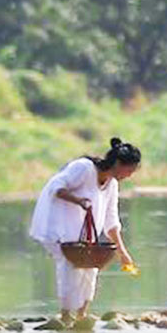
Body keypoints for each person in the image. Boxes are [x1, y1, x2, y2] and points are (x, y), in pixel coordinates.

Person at [29, 137, 141, 321]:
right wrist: (79, 201)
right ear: (118, 163)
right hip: (58, 228)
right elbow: (56, 189)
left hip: (85, 236)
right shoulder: (83, 168)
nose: (129, 175)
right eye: (129, 170)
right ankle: (65, 314)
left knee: (91, 266)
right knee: (69, 265)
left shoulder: (112, 184)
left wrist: (123, 253)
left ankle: (81, 315)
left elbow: (111, 220)